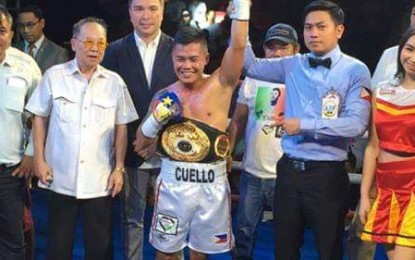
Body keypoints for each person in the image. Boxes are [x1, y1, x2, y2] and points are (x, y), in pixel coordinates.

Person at [243, 1, 371, 259]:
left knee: (328, 250)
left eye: (321, 27)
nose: (313, 33)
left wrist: (303, 124)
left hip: (327, 175)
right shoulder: (292, 64)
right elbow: (250, 65)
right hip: (288, 170)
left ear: (339, 30)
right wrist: (240, 13)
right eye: (308, 27)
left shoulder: (356, 70)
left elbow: (356, 124)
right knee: (284, 250)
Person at [133, 0, 250, 258]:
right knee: (165, 253)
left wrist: (242, 7)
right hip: (173, 186)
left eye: (193, 59)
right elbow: (140, 143)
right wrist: (156, 119)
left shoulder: (222, 84)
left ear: (206, 59)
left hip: (212, 185)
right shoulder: (164, 95)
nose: (186, 65)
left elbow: (238, 45)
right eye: (180, 59)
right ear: (172, 58)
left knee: (200, 254)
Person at [26, 17, 138, 260]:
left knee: (100, 248)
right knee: (57, 246)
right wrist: (39, 159)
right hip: (59, 176)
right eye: (88, 41)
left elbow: (121, 127)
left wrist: (119, 168)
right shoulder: (55, 76)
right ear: (74, 43)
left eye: (101, 42)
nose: (95, 48)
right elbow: (39, 118)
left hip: (100, 180)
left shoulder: (115, 83)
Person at [101, 0, 178, 259]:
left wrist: (157, 141)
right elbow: (109, 103)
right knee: (132, 220)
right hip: (131, 152)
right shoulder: (113, 51)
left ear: (163, 12)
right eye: (139, 9)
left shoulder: (178, 48)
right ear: (130, 13)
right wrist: (139, 142)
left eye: (152, 8)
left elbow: (187, 98)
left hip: (171, 152)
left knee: (172, 219)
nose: (146, 15)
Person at [347, 4, 415, 259]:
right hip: (384, 187)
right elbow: (373, 147)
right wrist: (365, 196)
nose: (413, 57)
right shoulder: (383, 91)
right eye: (409, 49)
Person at [229, 23, 300, 259]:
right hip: (253, 171)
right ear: (265, 49)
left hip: (287, 174)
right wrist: (227, 152)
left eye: (283, 47)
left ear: (295, 50)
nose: (277, 53)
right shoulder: (254, 78)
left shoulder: (304, 80)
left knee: (287, 236)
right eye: (272, 47)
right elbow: (238, 119)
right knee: (243, 232)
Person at [0, 5, 41, 260]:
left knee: (14, 243)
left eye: (1, 30)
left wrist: (32, 153)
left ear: (10, 33)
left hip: (10, 173)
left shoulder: (26, 65)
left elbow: (41, 115)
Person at [15, 4, 69, 74]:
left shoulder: (58, 53)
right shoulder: (13, 50)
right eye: (21, 26)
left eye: (30, 24)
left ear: (42, 23)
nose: (26, 30)